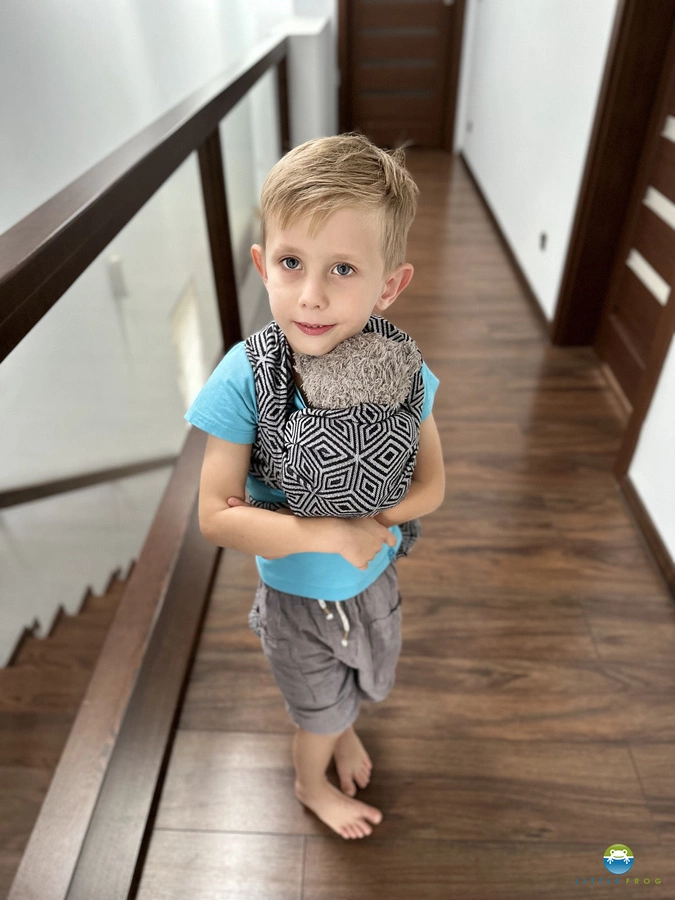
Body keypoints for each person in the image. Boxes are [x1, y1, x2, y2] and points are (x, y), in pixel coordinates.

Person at [185, 133, 445, 840]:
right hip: (297, 600)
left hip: (373, 578)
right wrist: (332, 531)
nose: (311, 295)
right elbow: (214, 516)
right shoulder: (245, 377)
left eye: (343, 269)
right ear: (262, 264)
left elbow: (432, 484)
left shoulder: (401, 369)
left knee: (358, 684)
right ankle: (311, 782)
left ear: (389, 285)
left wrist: (372, 521)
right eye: (292, 262)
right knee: (316, 714)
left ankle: (342, 726)